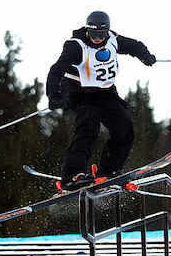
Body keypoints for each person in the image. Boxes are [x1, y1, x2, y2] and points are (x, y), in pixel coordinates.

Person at [46, 11, 156, 191]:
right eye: (94, 34)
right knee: (88, 129)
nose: (97, 38)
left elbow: (133, 46)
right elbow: (56, 70)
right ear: (87, 30)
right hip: (81, 92)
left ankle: (108, 170)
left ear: (107, 32)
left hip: (105, 93)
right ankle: (72, 175)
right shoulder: (76, 46)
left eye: (101, 34)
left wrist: (145, 56)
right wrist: (54, 95)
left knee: (124, 128)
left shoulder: (113, 39)